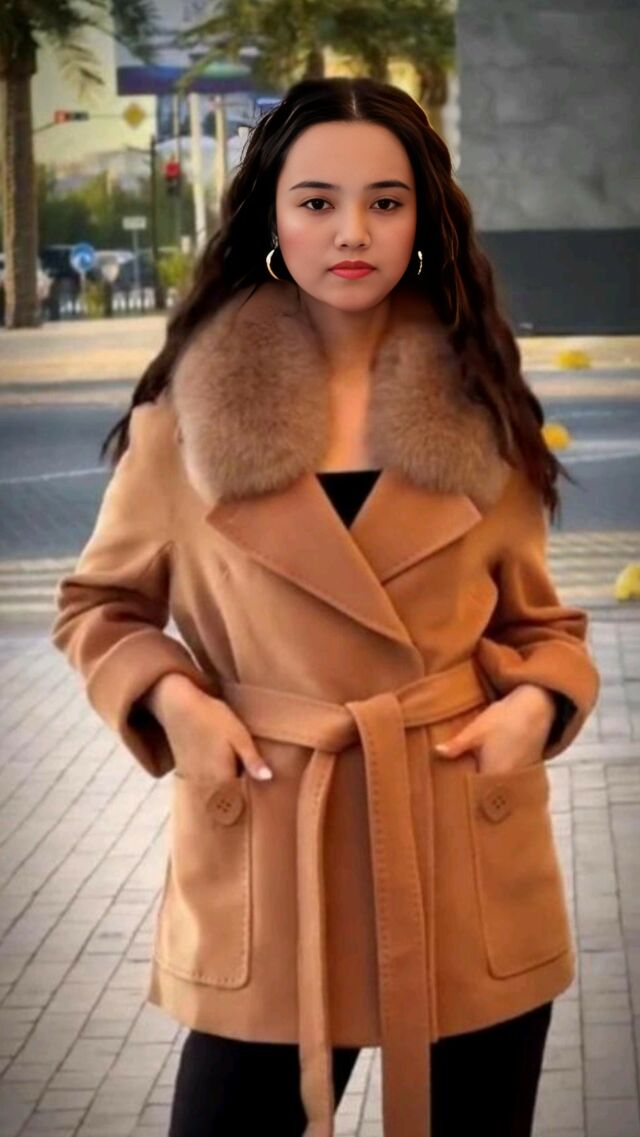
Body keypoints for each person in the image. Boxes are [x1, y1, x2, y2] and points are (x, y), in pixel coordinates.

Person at [50, 76, 601, 1137]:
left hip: (458, 846)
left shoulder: (484, 409)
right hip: (274, 852)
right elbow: (98, 606)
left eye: (385, 201)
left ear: (423, 219)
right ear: (271, 215)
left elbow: (540, 629)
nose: (353, 231)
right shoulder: (182, 424)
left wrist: (532, 711)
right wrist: (176, 702)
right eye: (316, 201)